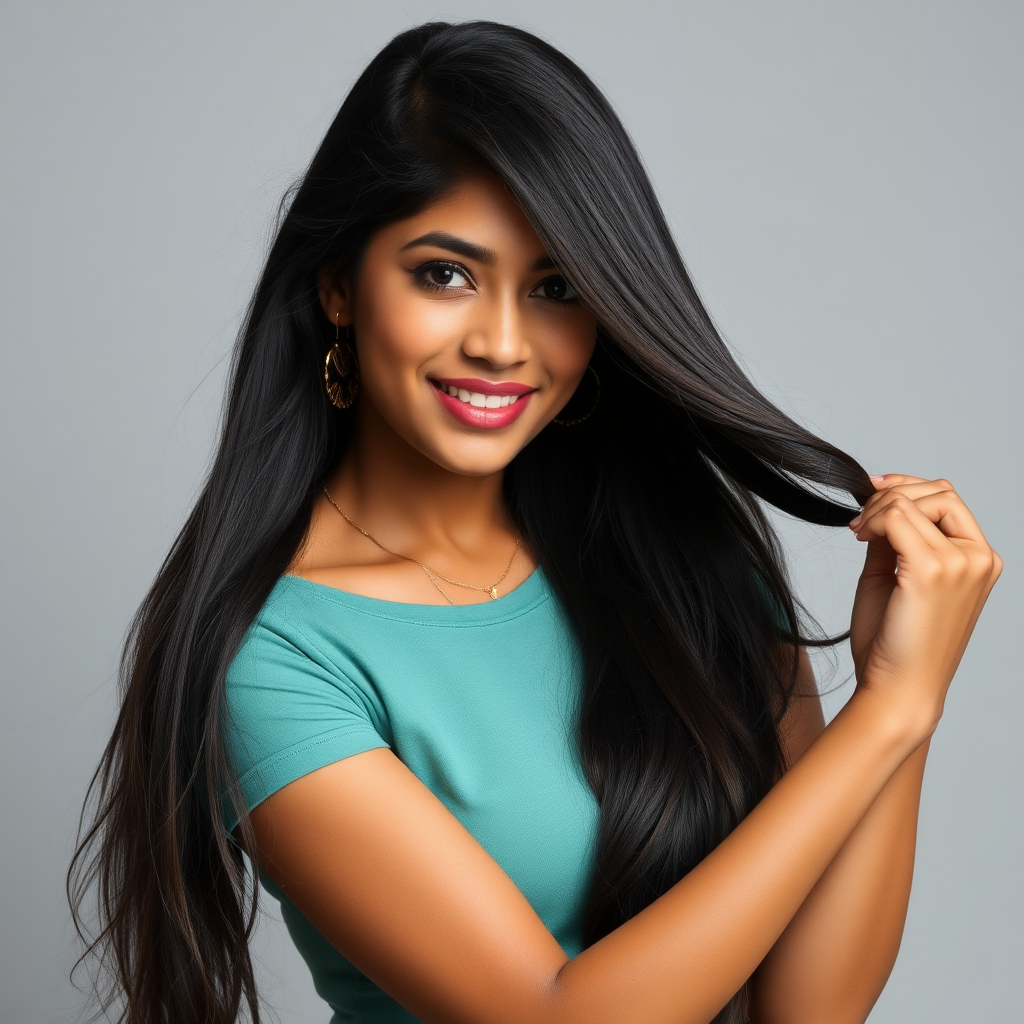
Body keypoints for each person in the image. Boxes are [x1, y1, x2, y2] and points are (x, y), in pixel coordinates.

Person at [68, 19, 1001, 1024]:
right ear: (338, 285)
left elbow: (809, 1009)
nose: (505, 342)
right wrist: (889, 713)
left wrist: (903, 710)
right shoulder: (273, 657)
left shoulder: (681, 552)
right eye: (444, 273)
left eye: (556, 287)